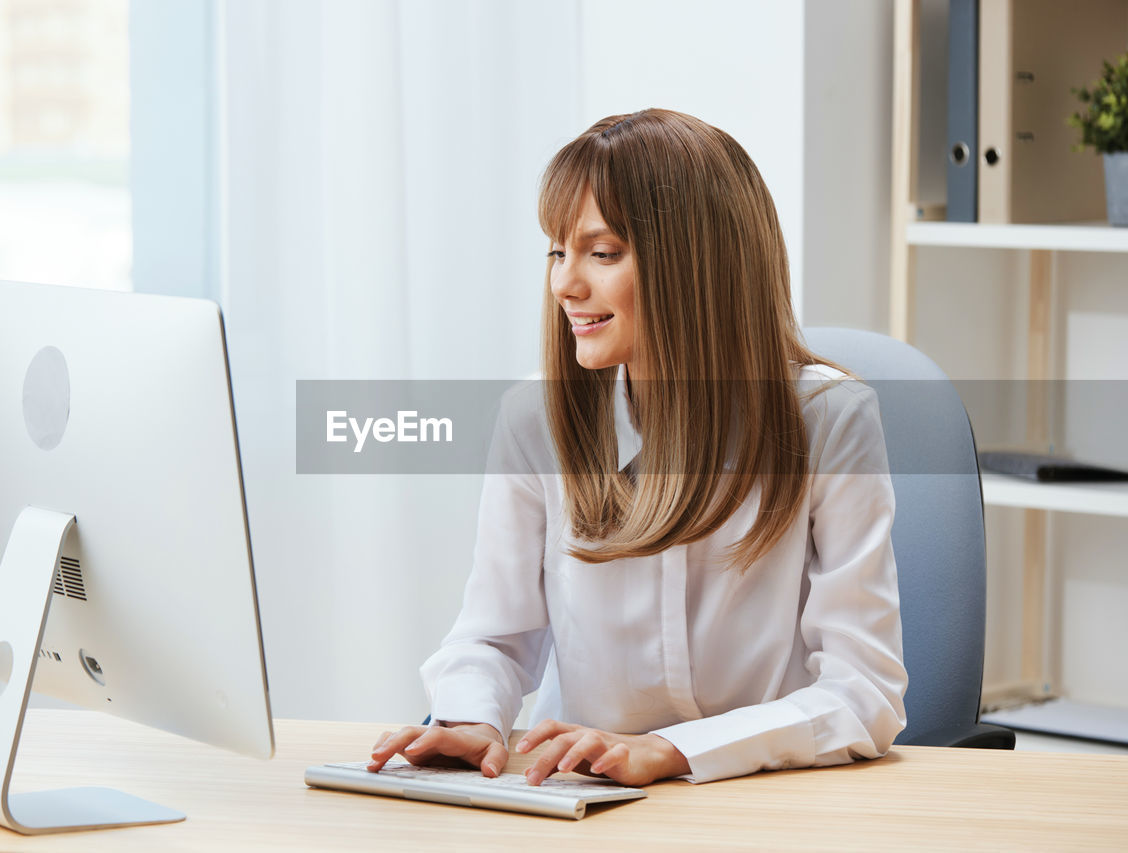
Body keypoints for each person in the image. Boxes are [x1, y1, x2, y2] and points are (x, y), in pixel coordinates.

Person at [367, 108, 907, 787]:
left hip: (762, 801)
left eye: (602, 252)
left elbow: (866, 691)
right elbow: (494, 637)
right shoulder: (534, 418)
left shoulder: (828, 421)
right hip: (578, 801)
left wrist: (675, 749)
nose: (565, 284)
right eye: (557, 252)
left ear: (696, 265)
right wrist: (470, 718)